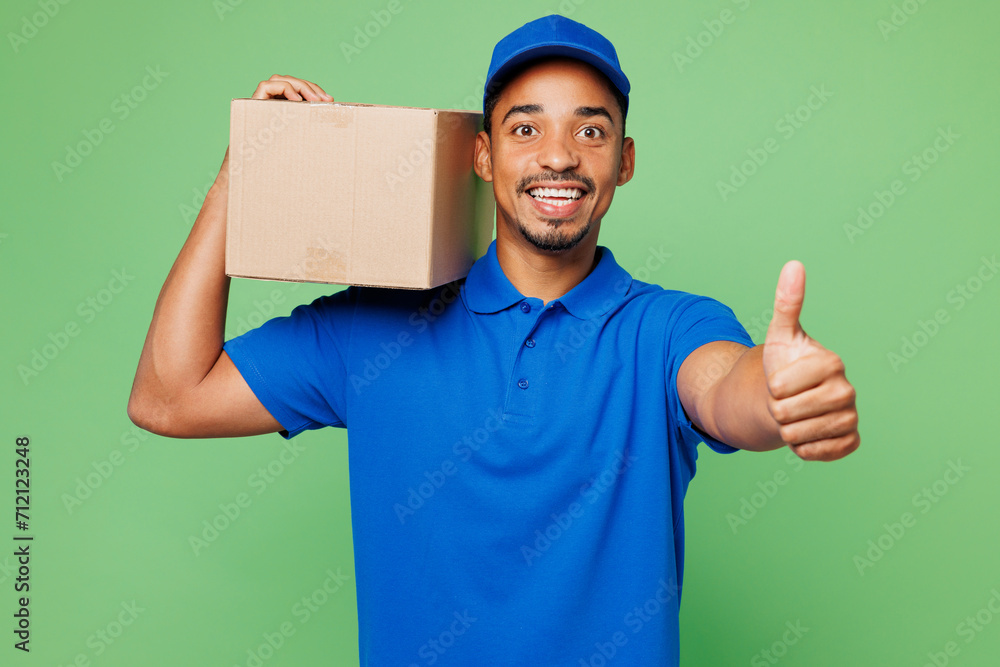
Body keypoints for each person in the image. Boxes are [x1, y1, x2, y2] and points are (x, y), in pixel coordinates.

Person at [128, 14, 859, 666]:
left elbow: (727, 390)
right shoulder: (372, 329)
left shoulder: (666, 328)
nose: (559, 156)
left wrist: (778, 392)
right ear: (483, 155)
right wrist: (242, 175)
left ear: (625, 161)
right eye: (526, 128)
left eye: (591, 129)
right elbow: (168, 397)